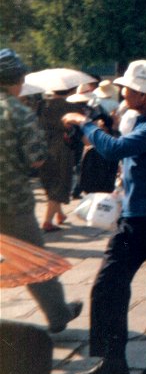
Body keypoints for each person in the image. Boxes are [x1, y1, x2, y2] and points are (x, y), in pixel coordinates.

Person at [62, 60, 146, 374]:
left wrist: (85, 123)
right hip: (137, 218)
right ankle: (112, 358)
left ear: (145, 95)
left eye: (129, 88)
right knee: (108, 286)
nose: (123, 92)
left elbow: (116, 150)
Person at [0, 49, 83, 334]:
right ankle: (58, 314)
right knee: (35, 260)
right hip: (12, 202)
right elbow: (36, 158)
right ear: (18, 79)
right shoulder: (18, 112)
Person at [38, 87, 77, 231]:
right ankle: (47, 221)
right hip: (61, 147)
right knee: (60, 181)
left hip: (42, 146)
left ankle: (59, 214)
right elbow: (74, 128)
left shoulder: (41, 105)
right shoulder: (71, 106)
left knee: (49, 179)